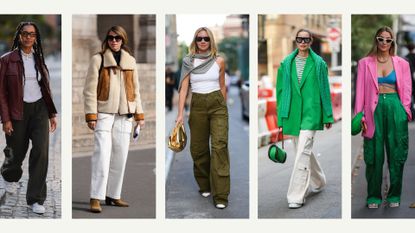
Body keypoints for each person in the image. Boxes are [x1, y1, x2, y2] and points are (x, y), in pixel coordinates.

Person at [83, 25, 145, 213]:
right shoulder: (98, 59)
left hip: (125, 115)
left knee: (121, 156)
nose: (114, 41)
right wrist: (91, 115)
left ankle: (113, 195)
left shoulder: (131, 62)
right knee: (102, 155)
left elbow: (136, 91)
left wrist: (139, 115)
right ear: (107, 40)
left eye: (118, 38)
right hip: (104, 113)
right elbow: (89, 90)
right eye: (111, 38)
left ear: (123, 40)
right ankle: (96, 196)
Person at [0, 21, 58, 215]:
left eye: (32, 34)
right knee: (15, 152)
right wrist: (6, 119)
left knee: (41, 151)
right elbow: (1, 93)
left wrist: (51, 113)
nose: (28, 37)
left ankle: (35, 199)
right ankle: (9, 176)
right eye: (25, 33)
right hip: (18, 111)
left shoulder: (38, 59)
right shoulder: (7, 60)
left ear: (36, 38)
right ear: (19, 36)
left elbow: (46, 88)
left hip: (39, 109)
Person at [354, 26, 411, 209]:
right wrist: (359, 116)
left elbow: (408, 89)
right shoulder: (365, 63)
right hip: (373, 111)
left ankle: (394, 195)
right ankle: (373, 196)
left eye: (388, 40)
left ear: (392, 42)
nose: (384, 43)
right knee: (374, 155)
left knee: (396, 154)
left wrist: (405, 111)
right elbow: (360, 92)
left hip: (395, 107)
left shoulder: (402, 63)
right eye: (381, 39)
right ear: (376, 40)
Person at [276, 28, 333, 209]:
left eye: (306, 39)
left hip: (311, 113)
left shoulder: (319, 64)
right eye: (299, 39)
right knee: (303, 150)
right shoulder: (285, 64)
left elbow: (325, 90)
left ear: (311, 42)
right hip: (292, 114)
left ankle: (296, 195)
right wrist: (281, 118)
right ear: (295, 41)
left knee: (302, 153)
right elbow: (280, 92)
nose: (302, 42)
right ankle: (320, 180)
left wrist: (327, 114)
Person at [176, 27, 229, 209]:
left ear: (211, 40)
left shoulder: (219, 61)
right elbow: (184, 89)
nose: (203, 41)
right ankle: (204, 184)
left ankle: (221, 195)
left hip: (217, 104)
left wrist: (222, 104)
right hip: (197, 105)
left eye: (206, 38)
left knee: (219, 147)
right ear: (195, 41)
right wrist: (180, 115)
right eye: (199, 39)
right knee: (198, 149)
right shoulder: (188, 61)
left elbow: (222, 86)